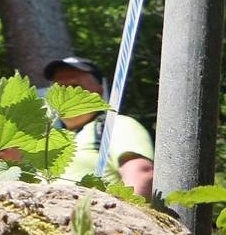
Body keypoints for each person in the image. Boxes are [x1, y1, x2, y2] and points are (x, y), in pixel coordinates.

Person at [43, 56, 154, 196]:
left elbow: (141, 173)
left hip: (94, 209)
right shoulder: (46, 138)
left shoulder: (115, 125)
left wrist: (130, 208)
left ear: (99, 92)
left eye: (75, 87)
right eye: (59, 89)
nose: (66, 94)